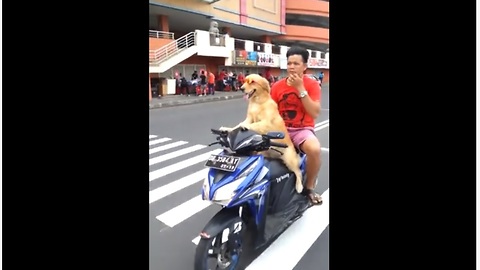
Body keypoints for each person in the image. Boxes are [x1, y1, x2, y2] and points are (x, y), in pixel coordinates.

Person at [270, 46, 323, 205]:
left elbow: (314, 113)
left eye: (296, 63)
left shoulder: (312, 85)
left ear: (305, 66)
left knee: (314, 149)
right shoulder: (277, 86)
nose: (291, 67)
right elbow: (271, 110)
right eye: (289, 63)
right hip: (280, 129)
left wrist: (300, 88)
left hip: (302, 130)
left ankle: (309, 187)